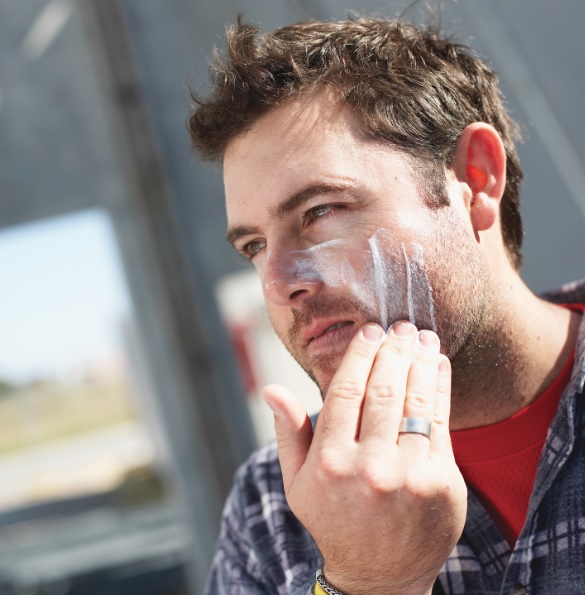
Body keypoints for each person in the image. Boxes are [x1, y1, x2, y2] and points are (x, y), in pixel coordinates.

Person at [187, 16, 585, 595]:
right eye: (253, 246)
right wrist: (370, 583)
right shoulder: (272, 509)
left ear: (475, 179)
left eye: (321, 211)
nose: (277, 282)